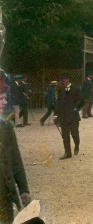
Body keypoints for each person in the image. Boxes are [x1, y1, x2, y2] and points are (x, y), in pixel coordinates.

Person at [0, 77, 31, 223]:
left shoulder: (6, 128)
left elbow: (15, 161)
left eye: (5, 98)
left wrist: (24, 189)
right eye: (1, 98)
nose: (5, 102)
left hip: (4, 197)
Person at [55, 74, 85, 159]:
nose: (62, 81)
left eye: (64, 80)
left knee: (74, 134)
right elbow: (58, 103)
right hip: (63, 117)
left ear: (68, 80)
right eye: (62, 80)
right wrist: (55, 114)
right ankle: (67, 153)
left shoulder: (76, 89)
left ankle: (76, 145)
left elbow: (82, 101)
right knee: (65, 136)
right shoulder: (61, 90)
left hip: (73, 117)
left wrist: (77, 108)